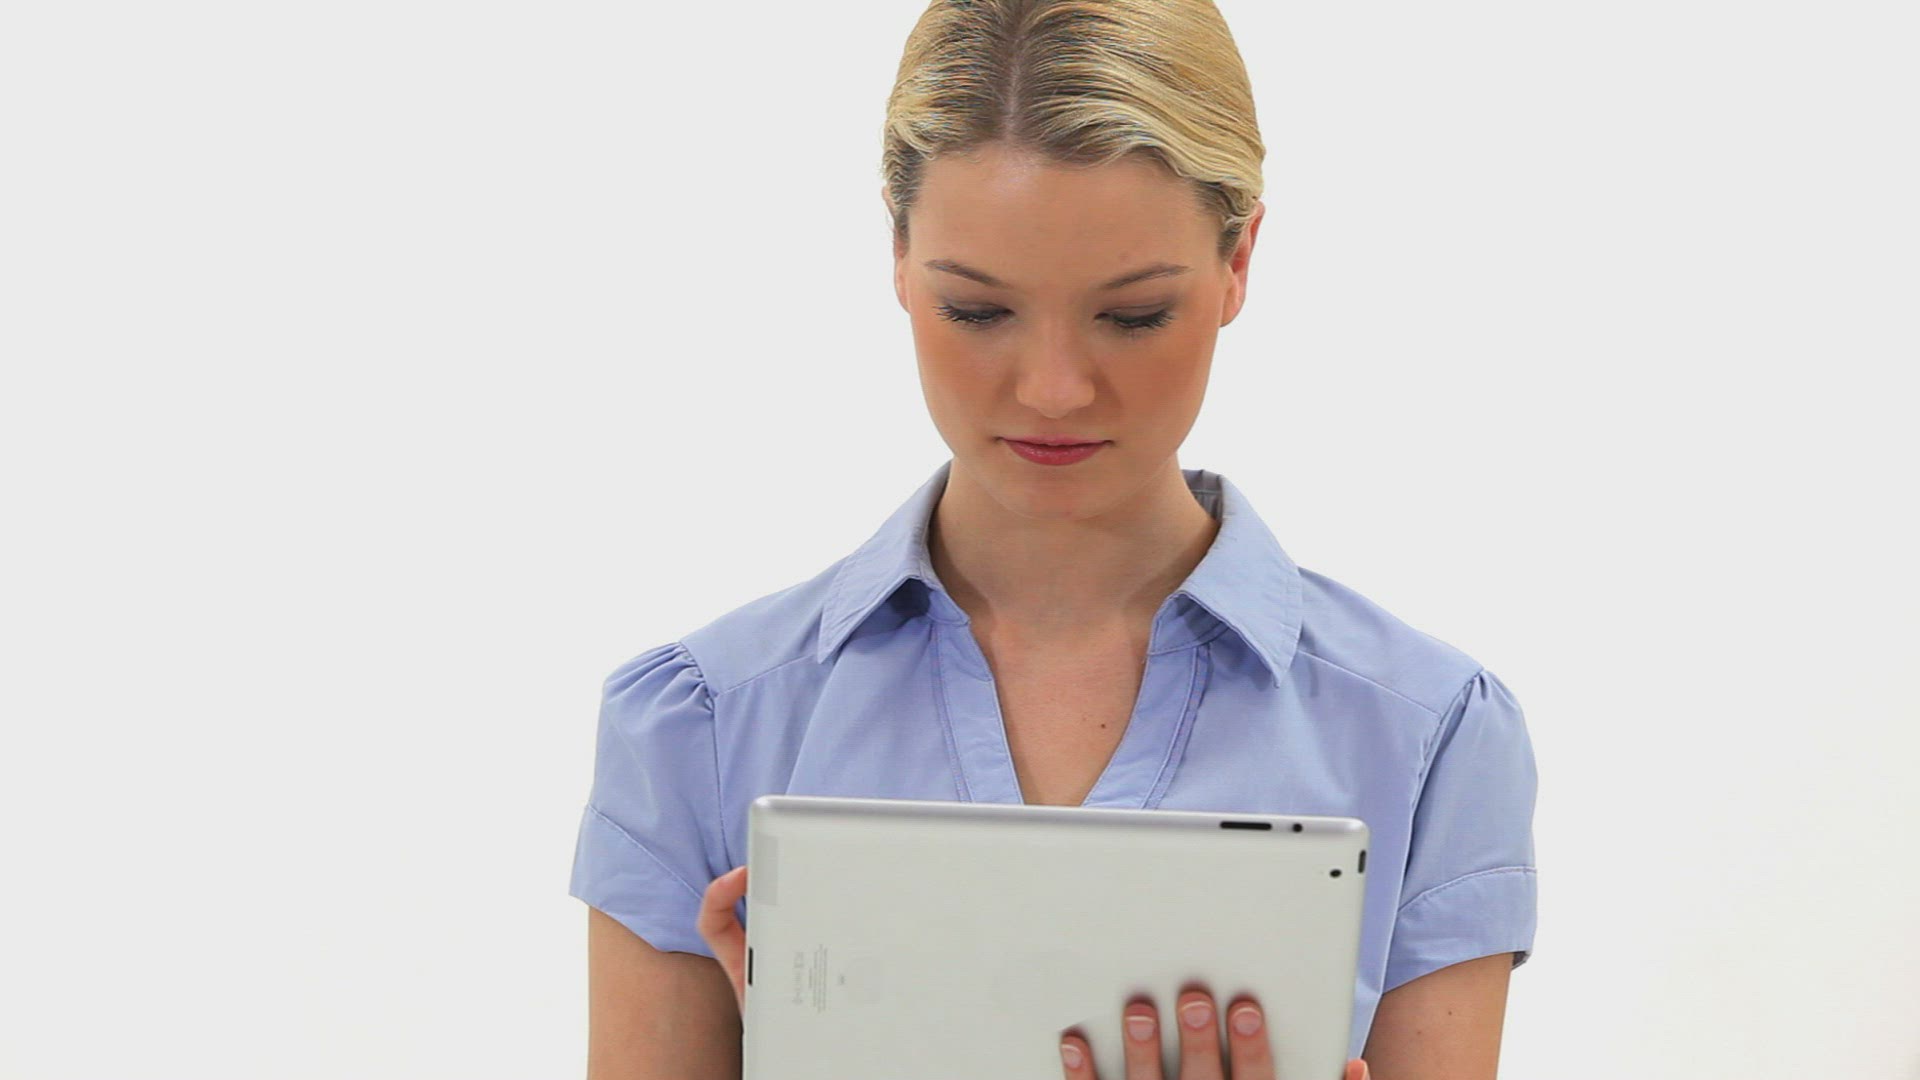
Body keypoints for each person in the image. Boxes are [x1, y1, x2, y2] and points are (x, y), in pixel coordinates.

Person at [569, 1, 1538, 1077]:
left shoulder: (1428, 736)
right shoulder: (699, 725)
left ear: (1239, 260)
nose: (1054, 389)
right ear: (898, 254)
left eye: (1133, 315)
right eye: (978, 311)